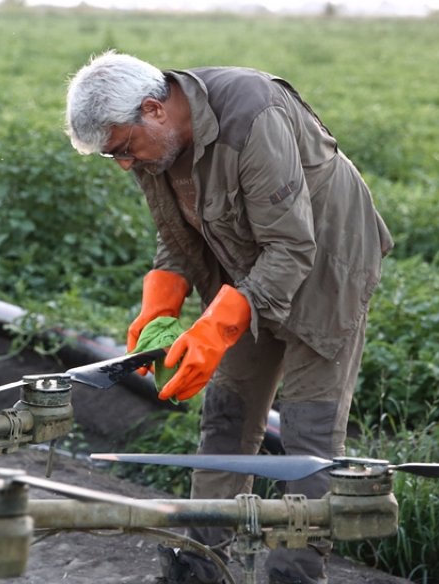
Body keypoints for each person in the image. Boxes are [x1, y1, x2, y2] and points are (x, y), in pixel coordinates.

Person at [65, 51, 393, 584]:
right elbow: (177, 229)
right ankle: (200, 567)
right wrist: (162, 300)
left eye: (123, 149)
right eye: (112, 156)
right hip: (248, 266)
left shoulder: (251, 116)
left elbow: (290, 246)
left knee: (308, 442)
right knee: (225, 417)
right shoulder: (155, 147)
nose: (124, 164)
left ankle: (294, 574)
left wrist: (217, 327)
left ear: (153, 109)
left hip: (326, 267)